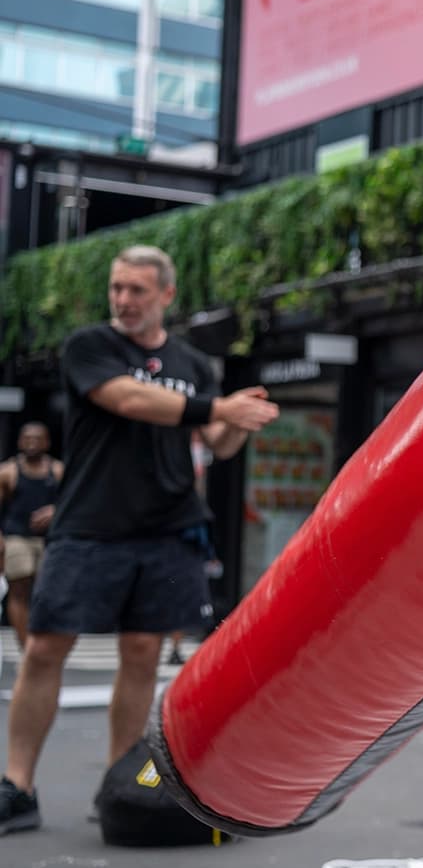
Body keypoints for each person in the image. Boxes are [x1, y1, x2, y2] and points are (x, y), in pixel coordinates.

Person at [0, 245, 280, 835]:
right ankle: (17, 785)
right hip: (88, 525)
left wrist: (235, 421)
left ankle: (119, 787)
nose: (124, 301)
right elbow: (128, 400)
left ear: (166, 297)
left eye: (138, 291)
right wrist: (214, 406)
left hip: (166, 529)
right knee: (46, 648)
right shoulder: (91, 348)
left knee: (142, 653)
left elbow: (214, 442)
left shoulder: (193, 363)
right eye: (117, 289)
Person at [1, 422, 63, 651]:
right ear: (19, 442)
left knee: (45, 591)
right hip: (16, 536)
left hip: (49, 540)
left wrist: (55, 510)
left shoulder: (57, 471)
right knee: (19, 589)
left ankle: (40, 641)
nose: (32, 443)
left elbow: (73, 502)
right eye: (27, 438)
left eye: (38, 439)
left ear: (47, 442)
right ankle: (25, 646)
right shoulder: (8, 471)